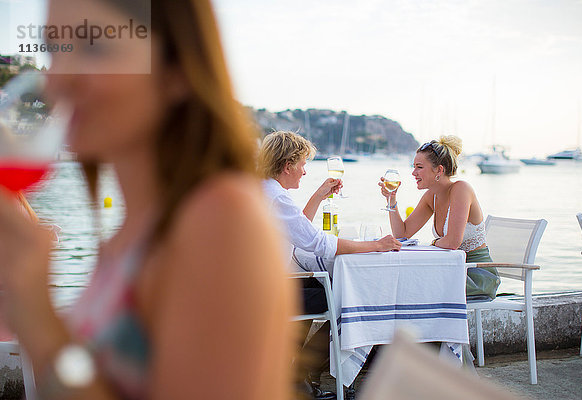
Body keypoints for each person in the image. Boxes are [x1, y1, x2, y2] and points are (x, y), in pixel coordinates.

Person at [0, 0, 295, 399]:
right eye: (54, 50)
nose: (57, 81)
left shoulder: (221, 220)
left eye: (93, 47)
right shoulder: (135, 230)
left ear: (177, 70)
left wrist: (37, 315)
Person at [258, 130, 402, 400]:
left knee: (317, 288)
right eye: (302, 164)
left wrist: (319, 194)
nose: (304, 171)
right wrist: (377, 245)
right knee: (350, 299)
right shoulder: (276, 197)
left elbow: (297, 231)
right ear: (287, 165)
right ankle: (301, 375)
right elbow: (320, 243)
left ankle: (295, 377)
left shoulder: (264, 189)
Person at [380, 135, 500, 300]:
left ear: (439, 170)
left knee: (412, 285)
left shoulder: (461, 189)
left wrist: (434, 243)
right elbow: (402, 234)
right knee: (403, 282)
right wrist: (391, 201)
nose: (413, 173)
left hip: (476, 276)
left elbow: (452, 242)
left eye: (419, 167)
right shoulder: (432, 196)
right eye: (414, 167)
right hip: (451, 269)